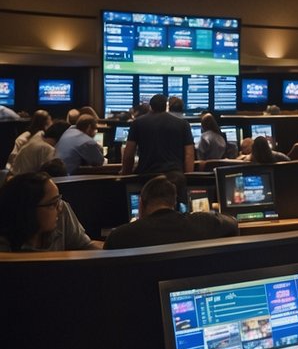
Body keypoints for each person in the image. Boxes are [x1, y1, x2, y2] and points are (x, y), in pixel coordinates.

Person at [104, 175, 238, 250]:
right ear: (174, 203)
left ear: (141, 204)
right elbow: (233, 223)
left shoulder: (119, 236)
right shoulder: (204, 222)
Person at [0, 171, 95, 251]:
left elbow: (85, 246)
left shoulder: (62, 213)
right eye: (52, 204)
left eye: (58, 200)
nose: (60, 208)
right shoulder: (5, 241)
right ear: (29, 211)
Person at [120, 94, 194, 175]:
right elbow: (189, 154)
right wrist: (188, 178)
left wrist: (125, 174)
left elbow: (129, 153)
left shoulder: (137, 123)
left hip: (147, 176)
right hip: (174, 175)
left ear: (150, 107)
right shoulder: (183, 124)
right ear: (166, 106)